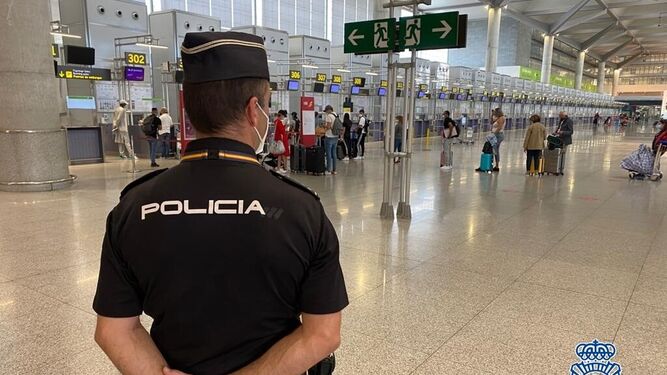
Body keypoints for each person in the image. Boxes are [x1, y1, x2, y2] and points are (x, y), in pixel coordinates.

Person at [92, 31, 347, 375]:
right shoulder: (301, 209)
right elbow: (323, 334)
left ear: (189, 108)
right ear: (254, 110)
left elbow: (114, 330)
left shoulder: (133, 206)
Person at [323, 105, 340, 175]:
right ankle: (334, 170)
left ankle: (329, 170)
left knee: (328, 154)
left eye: (326, 111)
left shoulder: (329, 116)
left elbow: (329, 126)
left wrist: (324, 127)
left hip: (329, 136)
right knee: (334, 153)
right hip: (336, 136)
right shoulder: (336, 115)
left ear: (328, 110)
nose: (326, 112)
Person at [490, 108, 505, 172]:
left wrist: (494, 134)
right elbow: (491, 122)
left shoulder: (502, 118)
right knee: (495, 149)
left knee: (494, 149)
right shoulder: (497, 118)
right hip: (495, 134)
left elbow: (500, 127)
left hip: (498, 135)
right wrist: (492, 115)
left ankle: (497, 165)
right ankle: (494, 164)